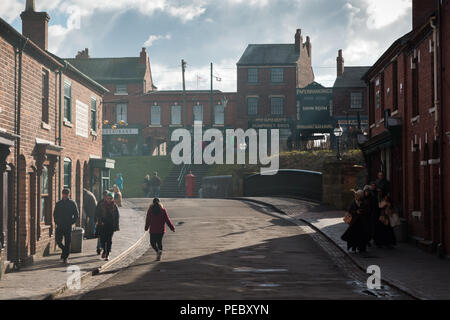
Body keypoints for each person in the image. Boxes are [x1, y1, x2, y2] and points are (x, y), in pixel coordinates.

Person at [53, 189, 79, 264]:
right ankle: (64, 250)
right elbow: (55, 214)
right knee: (58, 241)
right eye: (64, 194)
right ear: (62, 194)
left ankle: (65, 257)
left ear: (69, 194)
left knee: (68, 242)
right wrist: (57, 222)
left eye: (67, 194)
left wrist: (71, 222)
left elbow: (76, 215)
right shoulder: (59, 203)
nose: (65, 195)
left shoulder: (72, 203)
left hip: (68, 226)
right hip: (60, 225)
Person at [95, 191, 120, 261]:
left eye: (110, 198)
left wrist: (116, 226)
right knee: (102, 240)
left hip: (111, 226)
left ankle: (107, 254)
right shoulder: (101, 205)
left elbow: (117, 217)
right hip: (103, 225)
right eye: (108, 198)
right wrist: (100, 222)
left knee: (109, 240)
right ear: (106, 198)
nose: (109, 200)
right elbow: (98, 214)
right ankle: (104, 250)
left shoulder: (114, 206)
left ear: (112, 199)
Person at [94, 190, 109, 255]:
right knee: (100, 236)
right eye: (104, 196)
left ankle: (103, 248)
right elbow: (96, 212)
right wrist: (96, 220)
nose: (105, 197)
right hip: (101, 222)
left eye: (106, 196)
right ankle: (99, 248)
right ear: (103, 196)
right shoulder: (100, 203)